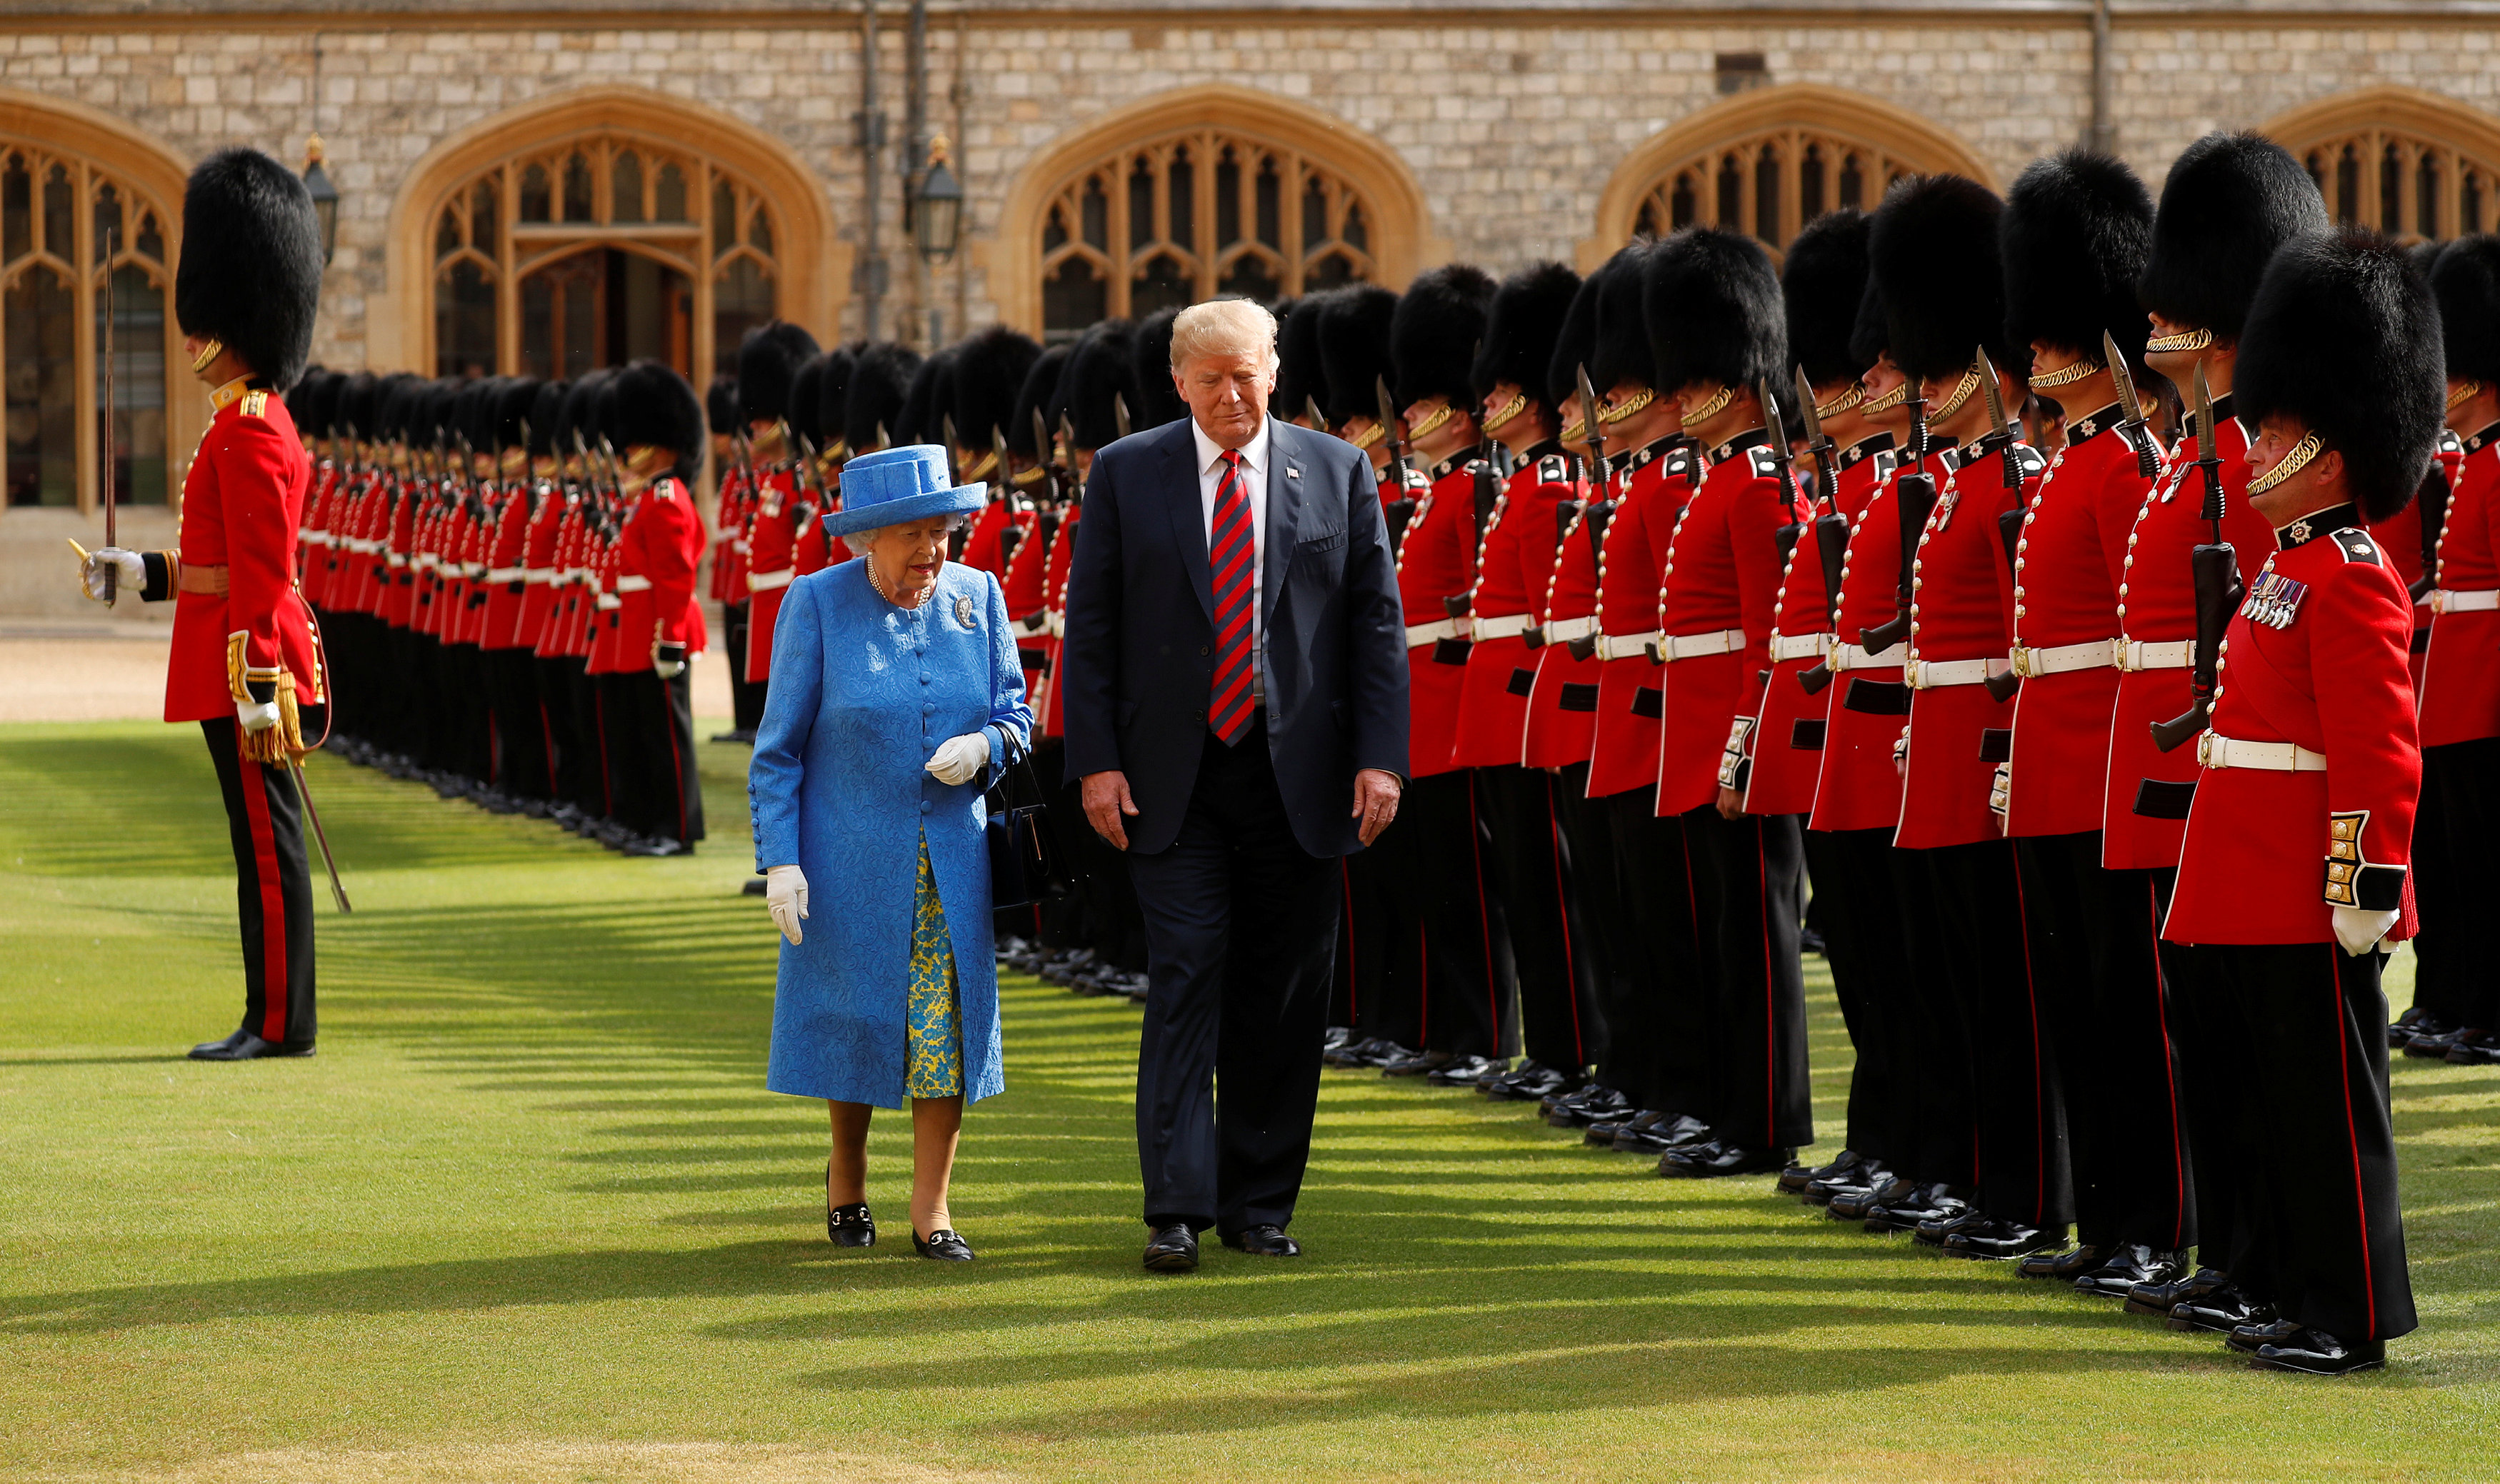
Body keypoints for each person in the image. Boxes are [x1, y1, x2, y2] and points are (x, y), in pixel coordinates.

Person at [1058, 297, 1409, 1273]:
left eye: (1245, 374)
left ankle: (1259, 1202)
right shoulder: (1128, 473)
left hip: (1299, 776)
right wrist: (1095, 760)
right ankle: (1175, 1203)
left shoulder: (1337, 470)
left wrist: (1382, 758)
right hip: (1174, 777)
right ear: (1178, 384)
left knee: (1284, 994)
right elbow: (1091, 631)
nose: (1229, 394)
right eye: (1209, 378)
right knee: (1187, 975)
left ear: (1275, 371)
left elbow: (1375, 628)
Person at [2162, 226, 2439, 1375]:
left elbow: (2382, 747)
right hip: (2238, 869)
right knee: (2267, 1105)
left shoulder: (2352, 575)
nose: (2260, 442)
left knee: (2328, 1113)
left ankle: (2352, 1310)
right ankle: (2285, 1282)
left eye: (2277, 427)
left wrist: (2366, 883)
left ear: (2330, 451)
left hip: (2303, 884)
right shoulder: (2286, 563)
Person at [747, 443, 1031, 1262]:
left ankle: (931, 1208)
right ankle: (846, 1176)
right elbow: (778, 751)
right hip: (846, 862)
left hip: (952, 863)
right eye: (911, 533)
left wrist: (985, 745)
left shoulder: (978, 597)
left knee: (942, 1029)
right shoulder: (816, 603)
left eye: (939, 531)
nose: (930, 551)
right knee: (856, 1019)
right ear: (865, 539)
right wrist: (782, 859)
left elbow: (1015, 714)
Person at [79, 146, 329, 1061]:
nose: (192, 336)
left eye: (207, 322)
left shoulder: (255, 429)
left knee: (267, 846)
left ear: (245, 322)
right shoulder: (235, 422)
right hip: (231, 655)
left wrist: (261, 684)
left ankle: (279, 1023)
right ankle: (271, 1013)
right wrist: (139, 569)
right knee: (253, 841)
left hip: (249, 665)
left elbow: (261, 575)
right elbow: (214, 564)